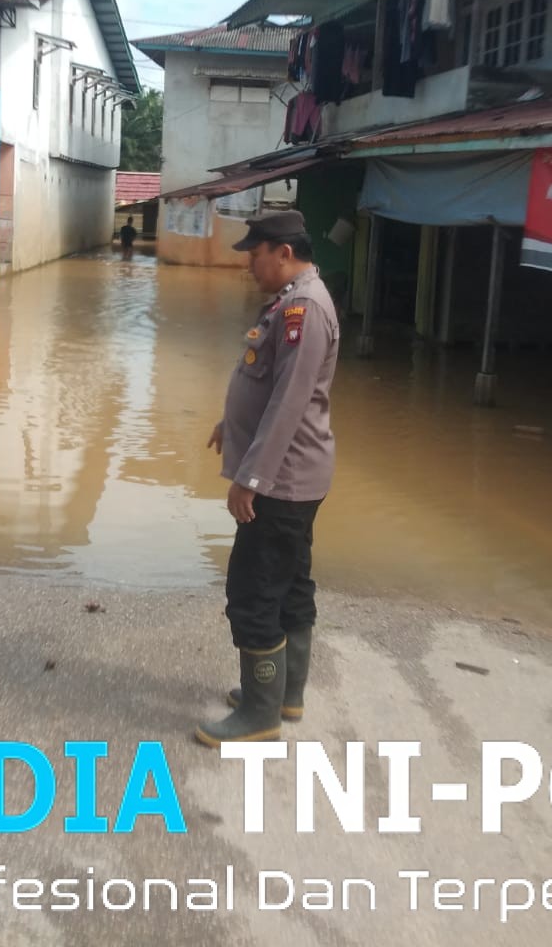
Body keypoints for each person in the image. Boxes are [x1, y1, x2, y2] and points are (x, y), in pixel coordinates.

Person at [196, 209, 339, 747]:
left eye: (254, 254)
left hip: (279, 482)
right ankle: (286, 694)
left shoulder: (303, 308)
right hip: (298, 475)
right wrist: (228, 424)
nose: (249, 265)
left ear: (283, 252)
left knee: (253, 591)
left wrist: (248, 479)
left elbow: (288, 402)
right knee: (291, 584)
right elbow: (268, 384)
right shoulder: (296, 300)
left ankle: (260, 714)